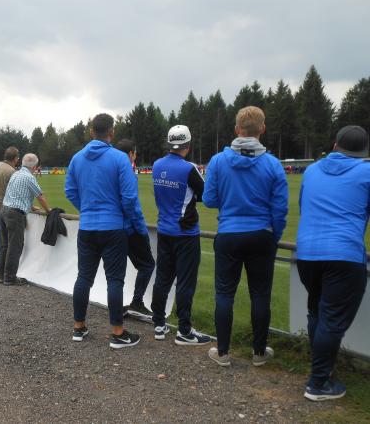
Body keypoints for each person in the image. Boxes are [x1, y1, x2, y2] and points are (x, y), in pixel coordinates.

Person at [203, 106, 288, 367]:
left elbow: (208, 199)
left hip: (229, 233)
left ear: (237, 129)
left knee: (225, 294)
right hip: (262, 234)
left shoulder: (218, 161)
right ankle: (259, 353)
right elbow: (280, 209)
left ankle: (224, 352)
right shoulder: (272, 164)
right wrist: (273, 237)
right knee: (260, 294)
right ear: (262, 129)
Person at [296, 126, 370, 401]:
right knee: (332, 319)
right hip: (344, 254)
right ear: (363, 152)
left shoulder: (313, 170)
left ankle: (322, 372)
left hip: (307, 252)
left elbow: (305, 206)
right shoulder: (366, 172)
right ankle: (318, 383)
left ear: (335, 144)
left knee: (317, 311)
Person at [65, 113, 144, 349]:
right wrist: (138, 227)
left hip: (88, 227)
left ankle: (79, 327)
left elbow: (71, 191)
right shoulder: (120, 159)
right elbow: (130, 198)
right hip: (113, 228)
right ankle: (117, 333)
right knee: (115, 280)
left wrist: (88, 210)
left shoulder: (77, 159)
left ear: (91, 132)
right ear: (112, 132)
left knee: (84, 278)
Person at [150, 127, 212, 345]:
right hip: (185, 233)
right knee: (185, 282)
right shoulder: (189, 168)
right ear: (188, 144)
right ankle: (184, 331)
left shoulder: (157, 165)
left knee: (162, 279)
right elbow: (206, 195)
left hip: (164, 230)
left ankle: (158, 323)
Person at [113, 139, 155, 320]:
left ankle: (116, 307)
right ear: (131, 154)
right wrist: (140, 228)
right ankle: (137, 302)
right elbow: (131, 204)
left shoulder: (109, 169)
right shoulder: (128, 172)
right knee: (147, 264)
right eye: (135, 153)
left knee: (116, 270)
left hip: (111, 226)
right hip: (129, 227)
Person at [0, 153, 51, 285]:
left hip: (4, 210)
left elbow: (14, 195)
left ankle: (2, 275)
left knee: (5, 245)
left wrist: (29, 205)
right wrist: (49, 211)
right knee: (15, 246)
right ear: (34, 167)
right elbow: (41, 196)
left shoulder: (15, 174)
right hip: (14, 214)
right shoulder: (29, 177)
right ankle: (10, 278)